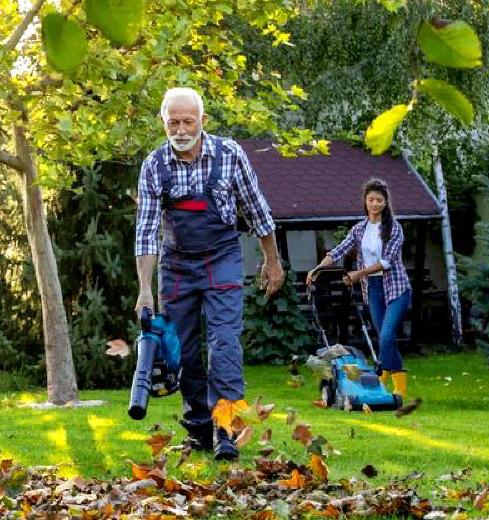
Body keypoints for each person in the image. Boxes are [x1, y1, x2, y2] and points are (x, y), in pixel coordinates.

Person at [134, 87, 284, 460]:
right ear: (163, 122)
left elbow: (257, 210)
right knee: (181, 351)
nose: (181, 129)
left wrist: (272, 260)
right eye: (173, 122)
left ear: (203, 120)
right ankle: (200, 428)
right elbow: (147, 231)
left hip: (222, 258)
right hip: (177, 264)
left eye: (188, 121)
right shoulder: (154, 166)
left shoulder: (229, 154)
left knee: (225, 344)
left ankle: (226, 429)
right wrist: (145, 290)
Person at [306, 178, 411, 397]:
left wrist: (356, 274)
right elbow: (338, 251)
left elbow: (386, 263)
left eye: (379, 200)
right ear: (365, 201)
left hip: (396, 288)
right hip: (373, 288)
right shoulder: (359, 229)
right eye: (371, 199)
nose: (375, 204)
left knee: (386, 336)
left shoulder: (394, 228)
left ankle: (384, 378)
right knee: (384, 336)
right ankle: (393, 384)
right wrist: (316, 269)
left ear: (385, 203)